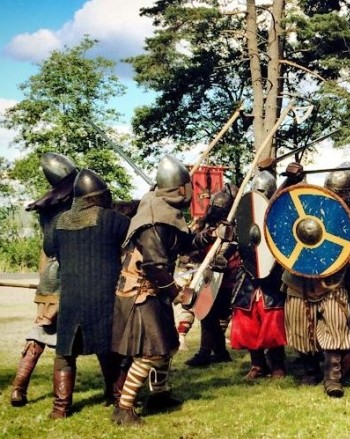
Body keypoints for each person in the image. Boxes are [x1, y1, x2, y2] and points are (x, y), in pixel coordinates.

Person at [111, 155, 222, 425]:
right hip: (141, 292)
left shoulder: (164, 211)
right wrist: (178, 294)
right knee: (151, 352)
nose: (191, 192)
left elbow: (183, 244)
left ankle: (158, 395)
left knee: (167, 347)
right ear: (181, 188)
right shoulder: (152, 220)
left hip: (153, 291)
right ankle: (124, 409)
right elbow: (154, 266)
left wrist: (210, 236)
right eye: (188, 187)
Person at [281, 167, 350, 397]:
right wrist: (290, 182)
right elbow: (286, 208)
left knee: (335, 321)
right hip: (301, 273)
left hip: (335, 276)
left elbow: (348, 242)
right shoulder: (316, 201)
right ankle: (310, 370)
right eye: (332, 192)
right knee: (301, 323)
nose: (337, 197)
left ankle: (332, 376)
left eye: (341, 193)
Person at [50, 169, 130, 418]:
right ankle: (119, 399)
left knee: (65, 353)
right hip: (103, 296)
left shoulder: (59, 222)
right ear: (98, 196)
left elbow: (49, 248)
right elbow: (132, 230)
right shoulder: (111, 220)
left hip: (71, 296)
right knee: (110, 349)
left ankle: (60, 409)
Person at [10, 153, 77, 407]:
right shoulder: (71, 201)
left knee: (40, 330)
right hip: (69, 273)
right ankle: (112, 393)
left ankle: (19, 388)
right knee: (74, 334)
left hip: (49, 275)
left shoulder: (47, 204)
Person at [229, 170, 288, 380]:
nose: (260, 193)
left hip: (272, 276)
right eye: (257, 190)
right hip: (247, 275)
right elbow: (240, 240)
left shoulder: (281, 215)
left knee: (273, 321)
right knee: (248, 322)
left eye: (263, 191)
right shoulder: (243, 214)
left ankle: (278, 364)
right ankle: (257, 365)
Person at [184, 189, 239, 367]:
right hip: (211, 276)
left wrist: (224, 254)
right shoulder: (207, 228)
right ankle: (220, 352)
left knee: (210, 315)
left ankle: (205, 353)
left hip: (228, 278)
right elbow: (195, 246)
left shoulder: (235, 229)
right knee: (208, 316)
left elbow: (233, 249)